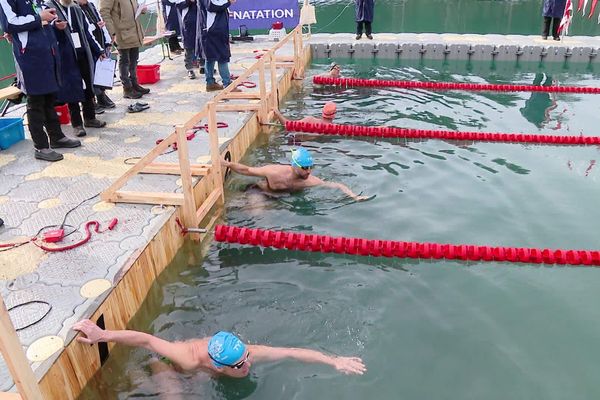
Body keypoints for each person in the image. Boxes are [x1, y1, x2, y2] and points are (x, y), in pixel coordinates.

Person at [72, 319, 367, 378]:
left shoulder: (245, 353)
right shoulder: (186, 359)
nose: (248, 365)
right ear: (217, 365)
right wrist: (102, 334)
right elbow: (148, 341)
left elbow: (291, 351)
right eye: (239, 365)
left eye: (246, 359)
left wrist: (333, 360)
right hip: (166, 364)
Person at [0, 0, 81, 161]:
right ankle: (41, 146)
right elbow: (10, 24)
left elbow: (38, 18)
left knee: (49, 97)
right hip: (30, 55)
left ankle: (56, 137)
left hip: (48, 51)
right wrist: (39, 17)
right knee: (35, 100)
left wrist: (52, 23)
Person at [47, 0, 106, 137]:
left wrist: (99, 50)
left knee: (88, 87)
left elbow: (87, 32)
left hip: (83, 53)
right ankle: (77, 124)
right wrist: (55, 27)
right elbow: (44, 31)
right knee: (72, 89)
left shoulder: (76, 9)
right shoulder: (49, 8)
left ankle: (90, 118)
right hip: (65, 57)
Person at [221, 147, 369, 201]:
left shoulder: (310, 181)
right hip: (259, 191)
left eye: (311, 167)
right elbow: (246, 170)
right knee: (258, 217)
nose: (309, 171)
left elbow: (336, 185)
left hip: (280, 198)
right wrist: (227, 164)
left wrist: (354, 196)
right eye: (305, 168)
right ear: (294, 166)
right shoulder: (274, 172)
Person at [100, 0, 149, 99]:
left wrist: (141, 10)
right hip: (121, 32)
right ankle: (127, 88)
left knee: (134, 59)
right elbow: (104, 12)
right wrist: (111, 31)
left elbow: (133, 6)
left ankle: (135, 84)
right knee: (124, 60)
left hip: (135, 30)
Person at [78, 0, 116, 110]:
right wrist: (95, 26)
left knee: (101, 72)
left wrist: (108, 41)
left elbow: (102, 23)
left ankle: (101, 96)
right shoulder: (75, 8)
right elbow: (83, 28)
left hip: (99, 41)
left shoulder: (91, 5)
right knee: (90, 74)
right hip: (87, 46)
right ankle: (92, 100)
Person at [200, 0, 238, 92]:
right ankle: (227, 84)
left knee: (210, 57)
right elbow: (212, 6)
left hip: (212, 29)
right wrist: (229, 2)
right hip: (214, 30)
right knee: (222, 57)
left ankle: (210, 83)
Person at [177, 0, 205, 80]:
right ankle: (190, 69)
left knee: (202, 44)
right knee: (188, 47)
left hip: (200, 21)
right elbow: (178, 4)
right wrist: (189, 1)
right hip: (188, 24)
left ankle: (203, 66)